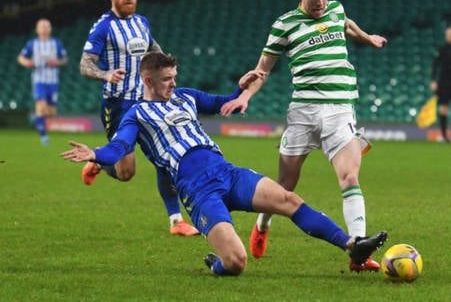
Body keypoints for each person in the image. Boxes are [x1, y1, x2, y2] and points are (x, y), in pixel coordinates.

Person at [60, 52, 387, 276]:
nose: (173, 83)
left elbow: (220, 103)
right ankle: (216, 263)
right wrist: (95, 155)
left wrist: (240, 88)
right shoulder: (137, 115)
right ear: (147, 81)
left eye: (175, 77)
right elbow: (119, 148)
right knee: (236, 263)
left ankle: (351, 246)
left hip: (225, 171)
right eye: (166, 79)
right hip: (196, 190)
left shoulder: (184, 96)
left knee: (289, 200)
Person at [220, 0, 388, 272]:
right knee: (285, 185)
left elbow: (347, 25)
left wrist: (368, 38)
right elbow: (263, 70)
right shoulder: (284, 25)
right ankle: (263, 224)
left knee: (350, 177)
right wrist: (244, 96)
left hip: (341, 111)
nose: (321, 3)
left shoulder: (336, 10)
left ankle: (358, 251)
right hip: (303, 112)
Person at [78, 0, 198, 236]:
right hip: (118, 104)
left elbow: (154, 51)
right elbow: (85, 63)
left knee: (164, 158)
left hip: (147, 102)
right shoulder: (103, 27)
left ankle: (176, 221)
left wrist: (167, 70)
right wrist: (105, 74)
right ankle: (100, 161)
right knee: (126, 173)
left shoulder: (142, 23)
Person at [17, 18, 68, 145]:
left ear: (50, 29)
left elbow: (64, 59)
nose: (45, 28)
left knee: (50, 112)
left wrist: (57, 62)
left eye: (47, 26)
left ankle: (36, 118)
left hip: (53, 81)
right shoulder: (32, 44)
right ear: (37, 29)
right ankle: (44, 137)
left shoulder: (56, 43)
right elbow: (21, 57)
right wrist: (27, 62)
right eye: (42, 26)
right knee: (41, 106)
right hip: (39, 80)